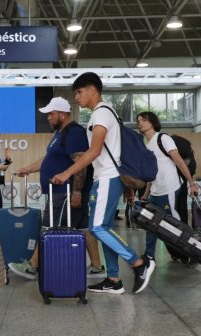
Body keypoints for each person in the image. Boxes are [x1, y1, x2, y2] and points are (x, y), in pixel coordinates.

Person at [53, 72, 154, 295]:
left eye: (79, 92)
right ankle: (113, 278)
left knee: (97, 227)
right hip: (106, 177)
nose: (77, 98)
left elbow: (95, 151)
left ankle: (139, 263)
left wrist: (67, 172)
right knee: (103, 227)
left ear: (92, 90)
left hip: (108, 177)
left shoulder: (101, 114)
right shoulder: (104, 114)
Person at [8, 97, 105, 280]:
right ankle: (97, 267)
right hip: (64, 193)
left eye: (51, 114)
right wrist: (27, 169)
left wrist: (76, 192)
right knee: (84, 228)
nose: (48, 118)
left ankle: (32, 266)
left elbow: (81, 163)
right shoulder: (60, 134)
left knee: (49, 227)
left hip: (64, 193)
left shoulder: (73, 132)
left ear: (62, 114)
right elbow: (48, 159)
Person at [136, 111, 199, 267]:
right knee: (150, 223)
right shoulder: (145, 145)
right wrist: (146, 193)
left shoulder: (163, 139)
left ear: (152, 122)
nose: (140, 123)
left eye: (144, 120)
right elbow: (152, 172)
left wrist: (191, 183)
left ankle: (189, 254)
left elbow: (179, 162)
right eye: (138, 121)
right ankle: (149, 256)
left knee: (175, 224)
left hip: (170, 188)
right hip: (156, 192)